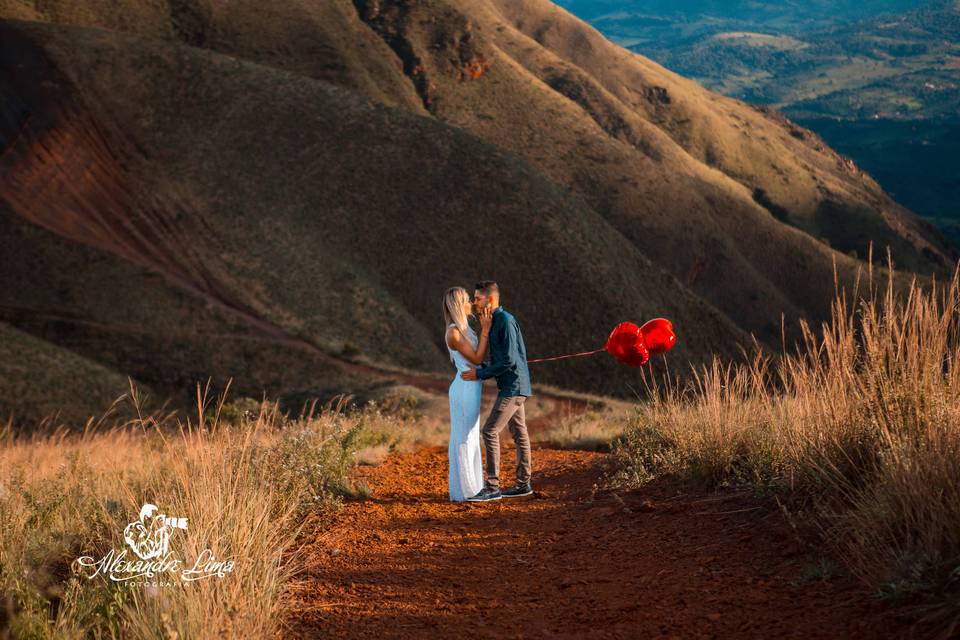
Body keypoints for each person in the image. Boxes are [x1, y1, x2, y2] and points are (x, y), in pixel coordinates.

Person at [461, 281, 533, 501]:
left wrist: (479, 374)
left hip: (513, 387)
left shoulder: (505, 321)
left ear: (490, 299)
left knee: (490, 431)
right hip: (513, 385)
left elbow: (508, 361)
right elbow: (500, 359)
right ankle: (523, 484)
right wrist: (482, 368)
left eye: (477, 298)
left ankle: (492, 487)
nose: (474, 303)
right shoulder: (493, 322)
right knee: (520, 433)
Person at [443, 286, 493, 501]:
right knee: (464, 437)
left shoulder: (463, 329)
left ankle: (471, 489)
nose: (470, 303)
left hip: (471, 387)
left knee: (470, 435)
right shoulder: (454, 332)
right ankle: (466, 491)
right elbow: (477, 359)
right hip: (464, 389)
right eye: (466, 300)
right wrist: (485, 330)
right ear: (458, 304)